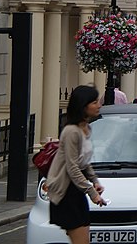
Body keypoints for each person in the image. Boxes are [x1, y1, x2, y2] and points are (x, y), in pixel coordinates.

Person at [47, 85, 106, 244]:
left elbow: (84, 162)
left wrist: (95, 181)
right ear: (83, 105)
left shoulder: (86, 129)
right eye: (94, 102)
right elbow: (72, 167)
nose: (99, 105)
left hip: (77, 191)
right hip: (67, 193)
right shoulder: (71, 131)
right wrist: (91, 192)